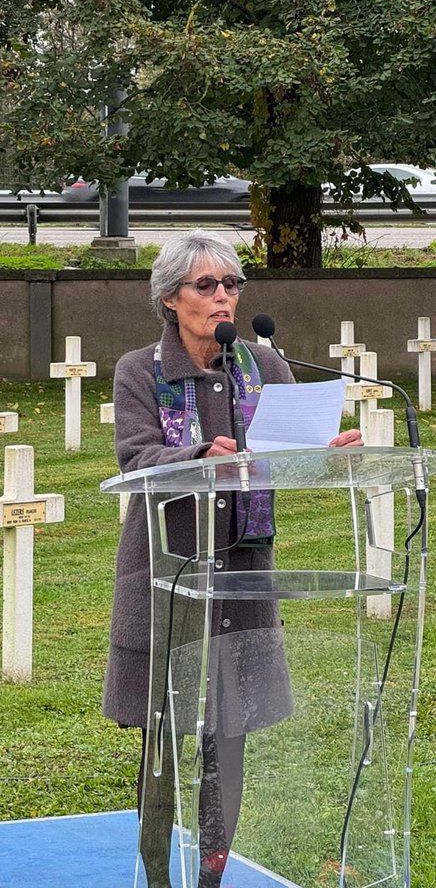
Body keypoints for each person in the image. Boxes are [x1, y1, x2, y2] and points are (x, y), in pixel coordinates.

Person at [104, 230, 361, 888]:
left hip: (245, 579)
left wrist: (327, 456)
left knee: (231, 734)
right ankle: (159, 877)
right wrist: (195, 459)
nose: (224, 297)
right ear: (170, 299)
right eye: (206, 286)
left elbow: (284, 458)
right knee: (163, 740)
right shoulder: (141, 371)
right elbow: (136, 459)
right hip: (170, 576)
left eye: (232, 284)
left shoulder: (265, 367)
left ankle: (212, 880)